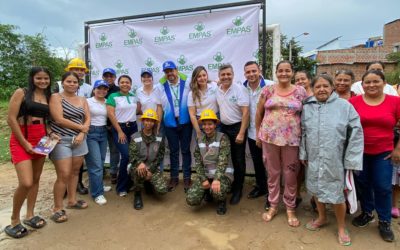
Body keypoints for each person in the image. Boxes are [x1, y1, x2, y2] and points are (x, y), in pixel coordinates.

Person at [300, 74, 363, 246]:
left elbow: (356, 132)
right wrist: (303, 153)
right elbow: (304, 131)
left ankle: (342, 227)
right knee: (317, 189)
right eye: (318, 87)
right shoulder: (307, 107)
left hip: (335, 158)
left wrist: (351, 159)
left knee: (337, 194)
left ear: (332, 88)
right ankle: (321, 218)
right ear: (312, 89)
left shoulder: (344, 106)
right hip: (313, 156)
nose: (321, 89)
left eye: (325, 86)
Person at [4, 67, 56, 238]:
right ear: (32, 78)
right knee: (26, 182)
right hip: (21, 138)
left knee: (35, 179)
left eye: (46, 78)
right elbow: (11, 118)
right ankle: (14, 220)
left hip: (41, 139)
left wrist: (50, 133)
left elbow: (45, 120)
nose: (42, 81)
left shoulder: (48, 96)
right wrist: (24, 142)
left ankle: (30, 214)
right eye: (39, 78)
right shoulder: (22, 92)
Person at [349, 70, 400, 242]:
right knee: (363, 184)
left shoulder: (395, 102)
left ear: (384, 83)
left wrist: (398, 149)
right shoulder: (354, 102)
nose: (371, 85)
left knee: (383, 186)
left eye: (376, 81)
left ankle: (384, 221)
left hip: (384, 153)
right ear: (362, 85)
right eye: (367, 82)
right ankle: (367, 213)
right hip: (359, 152)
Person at [255, 60, 307, 227]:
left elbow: (307, 114)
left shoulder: (300, 91)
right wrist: (257, 134)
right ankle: (273, 205)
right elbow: (259, 112)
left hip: (292, 140)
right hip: (269, 138)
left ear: (292, 72)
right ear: (276, 72)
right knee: (273, 172)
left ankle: (290, 207)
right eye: (280, 70)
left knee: (290, 173)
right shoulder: (267, 90)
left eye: (287, 70)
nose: (284, 73)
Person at [49, 72, 91, 223]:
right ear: (63, 82)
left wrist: (82, 133)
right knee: (64, 174)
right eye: (69, 81)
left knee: (74, 172)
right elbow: (59, 119)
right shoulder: (55, 97)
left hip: (80, 140)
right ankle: (57, 208)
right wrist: (82, 128)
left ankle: (72, 201)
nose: (72, 84)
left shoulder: (82, 99)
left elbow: (88, 117)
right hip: (61, 140)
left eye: (75, 82)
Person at [186, 109, 233, 215]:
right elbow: (198, 163)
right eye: (205, 124)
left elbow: (223, 160)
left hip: (223, 175)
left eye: (210, 124)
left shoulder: (223, 138)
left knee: (218, 191)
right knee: (191, 199)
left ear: (215, 124)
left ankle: (221, 201)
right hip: (207, 175)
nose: (207, 127)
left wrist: (216, 179)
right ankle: (207, 191)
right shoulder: (200, 140)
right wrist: (203, 179)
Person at [57, 58, 93, 195]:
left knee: (78, 163)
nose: (79, 72)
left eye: (81, 70)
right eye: (75, 69)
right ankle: (63, 187)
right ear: (68, 71)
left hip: (81, 131)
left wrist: (83, 130)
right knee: (63, 164)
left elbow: (89, 110)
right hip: (61, 131)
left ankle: (77, 184)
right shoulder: (58, 86)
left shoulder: (89, 88)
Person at [216, 64, 249, 205]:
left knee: (238, 160)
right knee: (225, 158)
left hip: (237, 128)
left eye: (228, 74)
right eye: (223, 74)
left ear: (233, 74)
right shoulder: (217, 89)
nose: (226, 77)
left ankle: (238, 189)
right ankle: (229, 184)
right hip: (223, 127)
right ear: (219, 76)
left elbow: (246, 113)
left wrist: (241, 133)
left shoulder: (240, 89)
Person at [159, 61, 192, 192]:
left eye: (171, 70)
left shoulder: (187, 82)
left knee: (185, 150)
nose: (169, 74)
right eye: (166, 72)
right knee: (173, 151)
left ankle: (187, 177)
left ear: (177, 70)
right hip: (170, 123)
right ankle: (174, 177)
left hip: (185, 123)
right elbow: (159, 106)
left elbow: (201, 83)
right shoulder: (160, 86)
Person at [243, 61, 272, 207]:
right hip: (252, 133)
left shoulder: (270, 85)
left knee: (271, 166)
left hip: (269, 134)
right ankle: (262, 187)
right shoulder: (242, 87)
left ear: (259, 70)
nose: (251, 74)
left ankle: (272, 196)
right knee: (258, 164)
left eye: (254, 71)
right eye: (248, 72)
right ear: (244, 74)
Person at [106, 75, 140, 197]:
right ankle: (121, 187)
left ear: (131, 84)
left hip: (133, 128)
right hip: (119, 128)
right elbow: (110, 114)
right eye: (122, 82)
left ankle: (130, 182)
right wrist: (120, 130)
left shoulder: (133, 97)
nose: (125, 84)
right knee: (126, 155)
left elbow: (137, 110)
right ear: (119, 83)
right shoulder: (113, 96)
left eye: (127, 82)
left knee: (134, 156)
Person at [129, 109, 167, 210]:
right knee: (139, 171)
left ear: (154, 122)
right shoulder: (135, 136)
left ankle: (148, 184)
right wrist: (139, 164)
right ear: (143, 121)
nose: (148, 123)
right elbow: (132, 155)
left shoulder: (159, 137)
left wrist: (150, 170)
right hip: (138, 166)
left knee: (162, 190)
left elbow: (160, 156)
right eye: (146, 120)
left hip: (152, 167)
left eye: (151, 120)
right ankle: (137, 195)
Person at [84, 80, 111, 205]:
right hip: (91, 132)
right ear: (94, 89)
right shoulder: (87, 101)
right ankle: (97, 193)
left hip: (103, 132)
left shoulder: (107, 102)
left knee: (99, 162)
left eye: (104, 89)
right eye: (99, 88)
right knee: (95, 164)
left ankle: (97, 185)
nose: (102, 91)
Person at [294, 70, 314, 209]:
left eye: (303, 79)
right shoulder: (295, 95)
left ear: (309, 80)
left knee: (313, 166)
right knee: (298, 167)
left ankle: (314, 198)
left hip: (313, 136)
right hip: (297, 135)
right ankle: (296, 194)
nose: (300, 82)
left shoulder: (316, 94)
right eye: (297, 80)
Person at [188, 66, 219, 139]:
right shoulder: (191, 94)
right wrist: (198, 131)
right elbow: (192, 115)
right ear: (195, 78)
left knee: (216, 146)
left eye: (204, 75)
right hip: (201, 122)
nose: (202, 78)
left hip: (215, 120)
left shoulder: (214, 85)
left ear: (207, 75)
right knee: (202, 147)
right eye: (199, 76)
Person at [103, 68, 120, 185]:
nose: (109, 78)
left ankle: (114, 172)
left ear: (114, 77)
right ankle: (101, 172)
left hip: (114, 126)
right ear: (103, 77)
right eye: (106, 76)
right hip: (100, 126)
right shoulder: (98, 89)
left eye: (111, 76)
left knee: (114, 151)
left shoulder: (119, 90)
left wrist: (114, 125)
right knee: (100, 151)